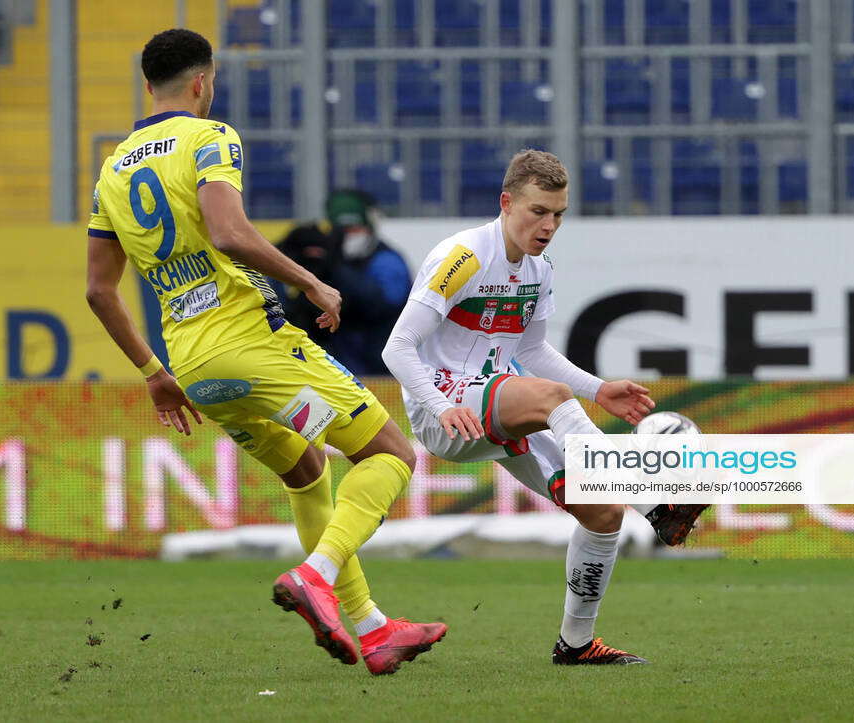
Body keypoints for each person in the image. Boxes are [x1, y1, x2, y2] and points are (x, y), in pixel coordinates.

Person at [85, 28, 444, 676]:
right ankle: (317, 574)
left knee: (307, 468)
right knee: (391, 451)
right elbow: (228, 231)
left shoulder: (112, 169)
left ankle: (372, 628)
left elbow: (98, 290)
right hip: (253, 347)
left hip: (195, 370)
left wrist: (153, 373)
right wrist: (308, 279)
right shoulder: (210, 137)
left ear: (148, 86)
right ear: (203, 81)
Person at [382, 149, 708, 665]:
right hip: (443, 408)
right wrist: (440, 405)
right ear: (506, 202)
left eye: (558, 214)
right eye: (538, 211)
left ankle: (575, 644)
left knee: (602, 514)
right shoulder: (462, 256)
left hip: (496, 401)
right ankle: (654, 500)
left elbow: (531, 351)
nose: (549, 225)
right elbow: (396, 348)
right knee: (551, 399)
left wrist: (598, 389)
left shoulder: (539, 269)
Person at [278, 189, 412, 376]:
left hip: (379, 367)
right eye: (342, 230)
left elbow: (386, 303)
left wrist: (335, 269)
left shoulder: (386, 261)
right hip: (343, 363)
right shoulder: (329, 261)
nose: (349, 235)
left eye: (355, 229)